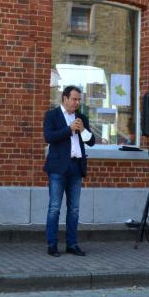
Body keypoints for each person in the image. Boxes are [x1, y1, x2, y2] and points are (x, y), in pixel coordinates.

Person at [43, 86, 95, 257]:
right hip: (58, 168)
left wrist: (83, 130)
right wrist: (69, 129)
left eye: (79, 100)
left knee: (74, 209)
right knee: (54, 208)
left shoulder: (81, 118)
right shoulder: (52, 115)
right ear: (64, 98)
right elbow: (49, 137)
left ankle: (72, 244)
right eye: (74, 99)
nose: (77, 102)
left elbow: (91, 142)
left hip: (76, 167)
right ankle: (52, 245)